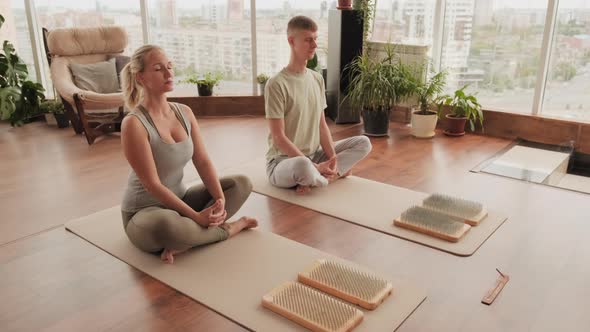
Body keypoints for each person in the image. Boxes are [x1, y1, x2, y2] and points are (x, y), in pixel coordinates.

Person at [119, 45, 257, 264]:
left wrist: (220, 200)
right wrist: (196, 217)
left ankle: (187, 241)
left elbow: (202, 161)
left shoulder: (184, 112)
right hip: (144, 213)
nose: (168, 73)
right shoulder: (134, 124)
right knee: (170, 224)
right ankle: (229, 229)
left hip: (181, 200)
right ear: (140, 77)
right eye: (158, 69)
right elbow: (153, 185)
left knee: (241, 184)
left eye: (170, 66)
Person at [265, 16, 372, 194]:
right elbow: (278, 138)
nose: (314, 45)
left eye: (315, 39)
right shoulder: (276, 84)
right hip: (283, 162)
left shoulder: (316, 79)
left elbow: (322, 126)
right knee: (302, 165)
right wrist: (315, 166)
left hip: (315, 154)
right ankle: (323, 176)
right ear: (292, 41)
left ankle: (322, 175)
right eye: (308, 40)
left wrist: (333, 160)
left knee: (363, 142)